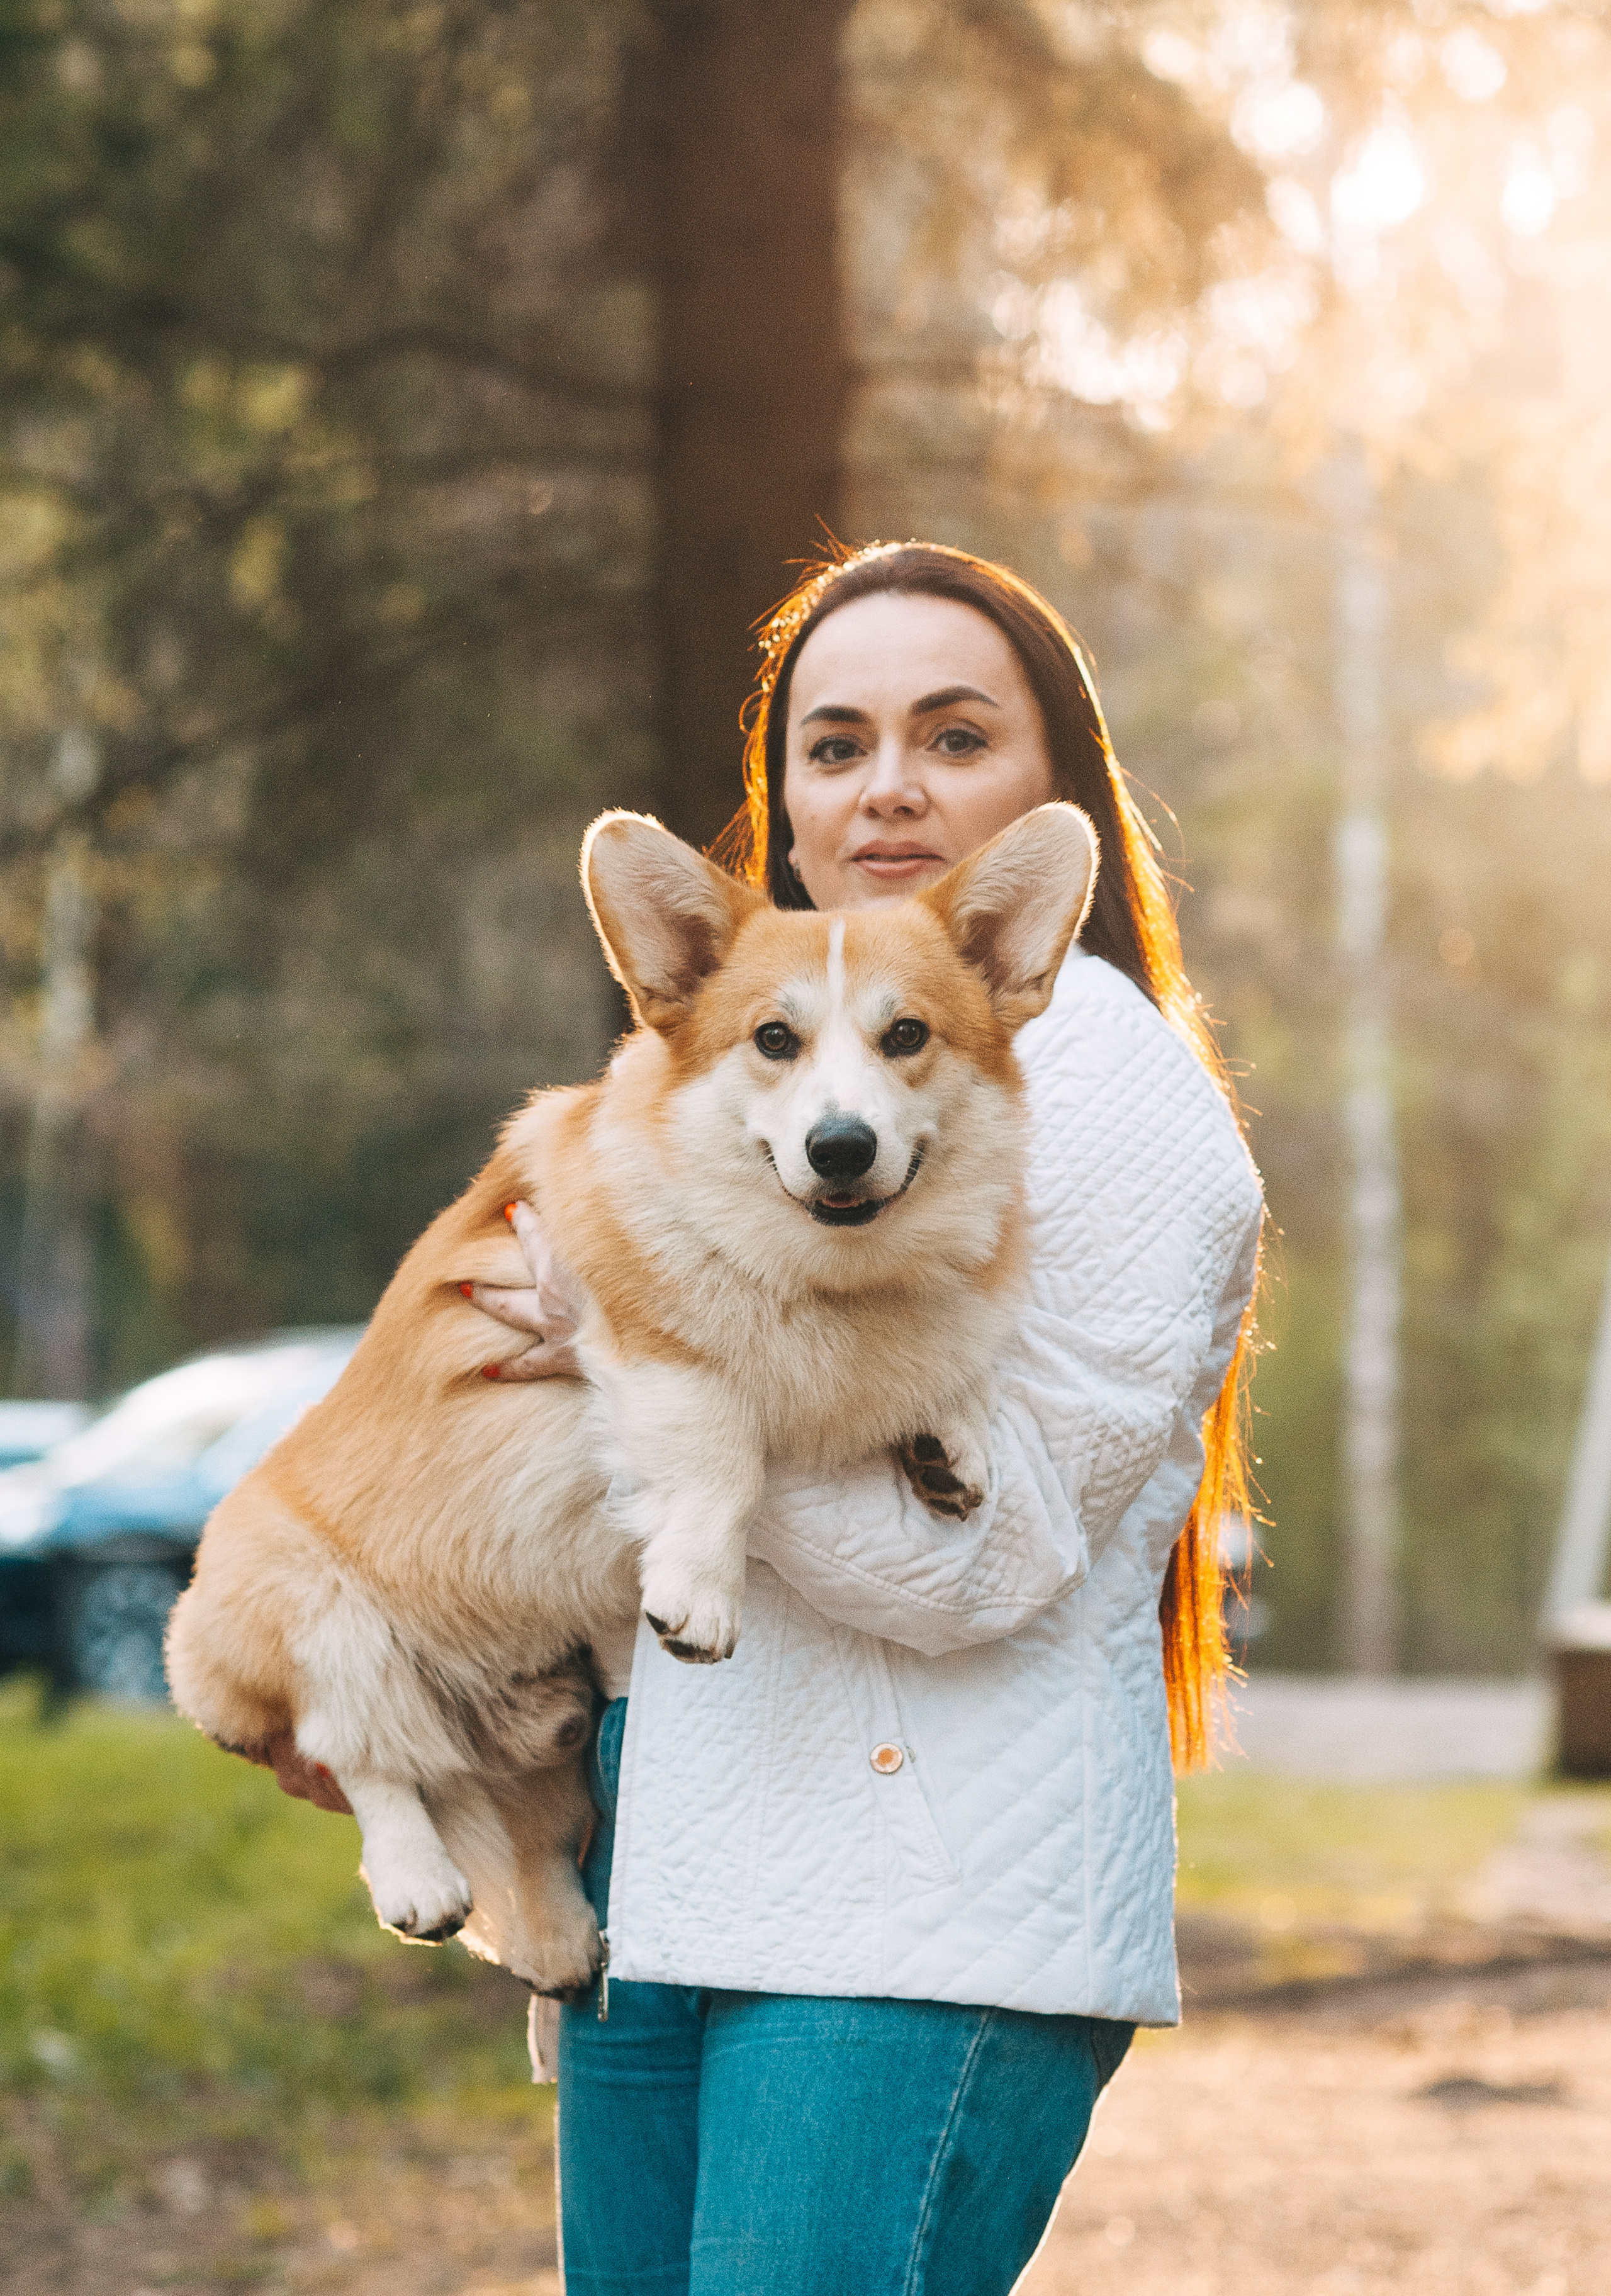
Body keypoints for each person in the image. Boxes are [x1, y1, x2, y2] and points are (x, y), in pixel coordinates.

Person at [272, 543, 1264, 2296]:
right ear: (785, 804)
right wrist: (408, 1691)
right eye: (835, 745)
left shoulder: (1107, 1085)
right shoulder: (734, 1081)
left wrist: (638, 1368)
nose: (887, 786)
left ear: (1056, 789)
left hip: (914, 1931)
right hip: (667, 1890)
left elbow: (985, 1561)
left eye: (954, 737)